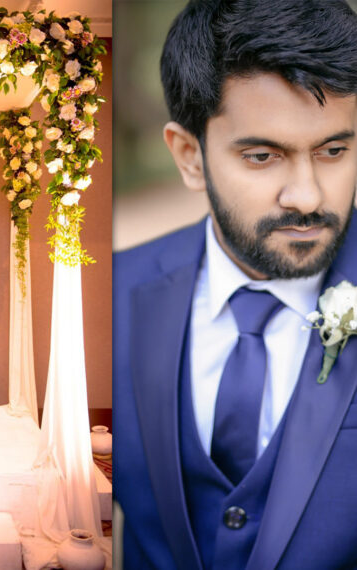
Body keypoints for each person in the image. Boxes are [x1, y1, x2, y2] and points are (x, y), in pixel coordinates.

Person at [113, 0, 357, 568]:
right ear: (190, 157)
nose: (307, 196)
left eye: (334, 151)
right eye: (262, 156)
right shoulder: (115, 295)